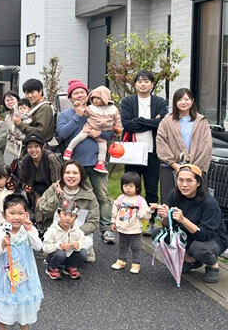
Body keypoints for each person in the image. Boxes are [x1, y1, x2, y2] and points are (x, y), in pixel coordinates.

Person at [56, 79, 116, 245]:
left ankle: (106, 229)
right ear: (70, 97)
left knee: (103, 196)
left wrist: (100, 134)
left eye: (82, 92)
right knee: (74, 197)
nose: (79, 95)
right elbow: (61, 134)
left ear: (88, 95)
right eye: (75, 93)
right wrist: (77, 116)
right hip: (75, 165)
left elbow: (111, 134)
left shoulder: (98, 111)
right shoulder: (65, 115)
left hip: (97, 162)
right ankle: (73, 228)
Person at [152, 164, 228, 284]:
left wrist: (183, 220)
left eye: (189, 180)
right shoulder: (174, 195)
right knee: (158, 235)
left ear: (198, 183)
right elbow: (168, 226)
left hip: (213, 238)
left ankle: (213, 265)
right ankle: (190, 260)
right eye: (180, 180)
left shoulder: (209, 203)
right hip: (188, 233)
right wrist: (166, 217)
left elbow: (205, 234)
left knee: (199, 248)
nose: (184, 185)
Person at [0, 195, 43, 330]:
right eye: (12, 213)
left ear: (26, 214)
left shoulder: (27, 230)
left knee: (24, 306)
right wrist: (2, 244)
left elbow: (38, 246)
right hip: (5, 278)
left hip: (25, 277)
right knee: (4, 306)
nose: (16, 217)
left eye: (20, 213)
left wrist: (30, 230)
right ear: (4, 214)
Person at [120, 71, 168, 237]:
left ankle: (150, 221)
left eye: (146, 81)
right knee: (130, 186)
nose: (143, 84)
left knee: (152, 188)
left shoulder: (159, 102)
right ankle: (129, 219)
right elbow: (127, 124)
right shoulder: (128, 101)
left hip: (152, 152)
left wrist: (138, 120)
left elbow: (162, 123)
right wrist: (151, 122)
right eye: (139, 81)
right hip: (132, 152)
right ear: (135, 84)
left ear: (152, 84)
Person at [38, 160, 100, 262]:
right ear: (62, 175)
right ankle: (61, 258)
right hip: (57, 231)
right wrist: (56, 197)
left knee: (86, 244)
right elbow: (44, 210)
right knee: (55, 250)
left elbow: (93, 221)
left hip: (79, 232)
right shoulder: (53, 189)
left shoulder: (89, 195)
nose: (71, 176)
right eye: (67, 172)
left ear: (81, 176)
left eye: (75, 173)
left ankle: (80, 254)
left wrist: (75, 233)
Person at [156, 88, 212, 200]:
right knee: (171, 201)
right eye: (180, 99)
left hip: (196, 168)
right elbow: (161, 142)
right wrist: (175, 165)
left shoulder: (201, 121)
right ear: (175, 102)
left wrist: (192, 168)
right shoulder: (167, 121)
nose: (183, 102)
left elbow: (206, 146)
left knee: (195, 202)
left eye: (186, 99)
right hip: (171, 168)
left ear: (192, 101)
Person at [63, 85, 122, 174]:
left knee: (103, 148)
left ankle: (100, 164)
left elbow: (117, 121)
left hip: (102, 134)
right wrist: (78, 110)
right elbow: (62, 134)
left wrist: (102, 133)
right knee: (79, 137)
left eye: (98, 98)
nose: (95, 100)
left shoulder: (113, 110)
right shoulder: (90, 108)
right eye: (94, 98)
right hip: (89, 128)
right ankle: (69, 150)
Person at [111, 172, 152, 274]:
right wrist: (113, 222)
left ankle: (136, 263)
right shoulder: (121, 198)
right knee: (122, 246)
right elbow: (115, 210)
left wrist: (149, 210)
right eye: (125, 186)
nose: (128, 188)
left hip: (134, 229)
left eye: (131, 186)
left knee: (135, 247)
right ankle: (121, 261)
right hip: (122, 228)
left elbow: (144, 215)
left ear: (137, 187)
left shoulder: (140, 200)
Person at [18, 134, 62, 228]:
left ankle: (42, 226)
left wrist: (45, 197)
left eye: (36, 146)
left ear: (42, 147)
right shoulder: (25, 160)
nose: (33, 150)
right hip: (35, 192)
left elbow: (58, 181)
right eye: (30, 147)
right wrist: (36, 195)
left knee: (44, 207)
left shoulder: (50, 158)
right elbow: (24, 182)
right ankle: (39, 227)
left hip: (52, 191)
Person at [42, 197, 88, 280]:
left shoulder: (76, 229)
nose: (68, 218)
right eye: (65, 214)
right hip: (55, 256)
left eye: (71, 216)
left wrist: (78, 244)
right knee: (61, 254)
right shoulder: (52, 230)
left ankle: (69, 267)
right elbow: (45, 247)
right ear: (59, 214)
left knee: (83, 253)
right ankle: (51, 268)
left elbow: (83, 241)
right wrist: (59, 246)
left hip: (69, 256)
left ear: (76, 218)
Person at [12, 78, 54, 144]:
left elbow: (40, 133)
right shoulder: (33, 106)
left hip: (39, 146)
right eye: (27, 93)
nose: (29, 96)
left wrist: (20, 124)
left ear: (40, 91)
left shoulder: (45, 108)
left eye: (32, 92)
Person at [2, 91, 22, 162]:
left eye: (12, 99)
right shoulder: (7, 118)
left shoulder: (23, 112)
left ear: (17, 100)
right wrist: (15, 140)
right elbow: (8, 134)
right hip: (14, 145)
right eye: (7, 100)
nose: (10, 102)